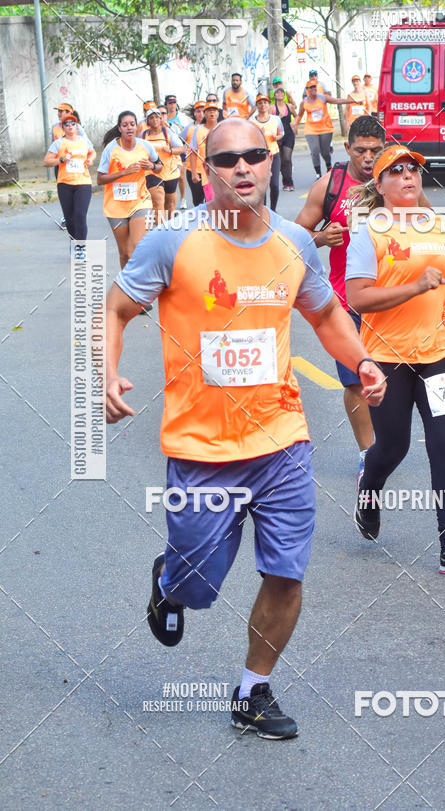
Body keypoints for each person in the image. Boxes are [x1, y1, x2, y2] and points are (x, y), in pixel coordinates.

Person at [105, 116, 386, 740]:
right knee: (198, 585)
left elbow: (327, 313)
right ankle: (170, 581)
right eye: (227, 158)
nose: (243, 167)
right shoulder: (172, 242)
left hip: (282, 440)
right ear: (206, 171)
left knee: (285, 572)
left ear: (270, 162)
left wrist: (360, 359)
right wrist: (107, 371)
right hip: (201, 447)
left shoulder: (293, 242)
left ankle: (253, 690)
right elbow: (118, 307)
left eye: (255, 155)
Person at [345, 143, 445, 576]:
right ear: (381, 185)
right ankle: (369, 487)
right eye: (397, 171)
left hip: (441, 351)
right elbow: (358, 298)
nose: (408, 176)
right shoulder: (368, 230)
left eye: (413, 170)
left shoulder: (442, 226)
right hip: (386, 356)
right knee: (393, 446)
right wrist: (415, 287)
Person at [296, 116, 431, 478]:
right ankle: (367, 453)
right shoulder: (330, 186)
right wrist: (321, 238)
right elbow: (294, 236)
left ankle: (389, 444)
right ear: (347, 148)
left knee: (395, 379)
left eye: (375, 150)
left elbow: (434, 229)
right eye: (361, 151)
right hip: (346, 301)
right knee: (356, 380)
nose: (369, 158)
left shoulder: (399, 180)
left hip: (393, 300)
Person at [97, 110, 161, 275]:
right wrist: (124, 172)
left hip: (140, 201)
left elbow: (159, 166)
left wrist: (152, 167)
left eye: (132, 124)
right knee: (125, 253)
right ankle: (129, 290)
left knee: (137, 248)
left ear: (137, 126)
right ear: (119, 128)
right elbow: (100, 179)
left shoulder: (145, 146)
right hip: (116, 206)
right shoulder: (110, 150)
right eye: (125, 125)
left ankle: (141, 291)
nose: (129, 128)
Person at [43, 114, 96, 242]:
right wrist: (61, 159)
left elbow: (92, 152)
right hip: (65, 184)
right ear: (63, 128)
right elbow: (46, 162)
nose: (70, 126)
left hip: (83, 183)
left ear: (77, 126)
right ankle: (74, 243)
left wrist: (90, 160)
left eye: (73, 123)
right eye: (66, 124)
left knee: (80, 215)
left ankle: (81, 247)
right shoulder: (59, 143)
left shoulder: (84, 141)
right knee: (70, 218)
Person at [293, 80, 351, 178]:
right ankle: (318, 174)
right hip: (311, 130)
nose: (313, 89)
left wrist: (352, 101)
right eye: (311, 87)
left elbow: (337, 101)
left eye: (315, 87)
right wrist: (295, 124)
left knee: (325, 152)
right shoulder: (304, 102)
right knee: (315, 150)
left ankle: (329, 167)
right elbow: (299, 115)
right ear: (307, 90)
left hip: (325, 129)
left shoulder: (323, 98)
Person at [141, 108, 186, 219]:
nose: (154, 119)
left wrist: (170, 150)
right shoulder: (143, 136)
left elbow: (182, 148)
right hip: (152, 172)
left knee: (170, 205)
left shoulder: (167, 132)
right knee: (158, 202)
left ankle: (169, 229)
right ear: (147, 121)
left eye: (157, 117)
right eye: (151, 117)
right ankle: (160, 231)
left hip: (169, 172)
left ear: (160, 119)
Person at [251, 93, 284, 210]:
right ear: (257, 106)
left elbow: (281, 133)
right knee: (262, 185)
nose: (263, 105)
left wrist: (276, 137)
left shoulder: (275, 119)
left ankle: (273, 209)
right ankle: (263, 210)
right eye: (260, 103)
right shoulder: (252, 122)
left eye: (265, 103)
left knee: (274, 184)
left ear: (269, 105)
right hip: (259, 157)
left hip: (274, 154)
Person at [189, 99, 220, 203]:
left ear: (218, 113)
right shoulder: (198, 130)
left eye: (214, 110)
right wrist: (193, 173)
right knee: (211, 204)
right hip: (206, 175)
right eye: (209, 110)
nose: (212, 112)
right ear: (205, 114)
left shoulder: (223, 128)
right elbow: (193, 151)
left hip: (223, 173)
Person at [180, 102, 206, 206]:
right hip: (193, 170)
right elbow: (179, 144)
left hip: (208, 170)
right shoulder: (189, 128)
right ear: (194, 113)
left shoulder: (211, 126)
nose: (201, 113)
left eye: (203, 111)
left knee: (211, 201)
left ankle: (211, 222)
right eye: (198, 111)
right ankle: (200, 221)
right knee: (198, 202)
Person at [164, 94, 188, 209]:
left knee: (181, 176)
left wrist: (177, 127)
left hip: (180, 148)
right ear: (166, 105)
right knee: (168, 175)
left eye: (174, 103)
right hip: (167, 149)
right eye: (170, 103)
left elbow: (187, 131)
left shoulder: (181, 117)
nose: (172, 105)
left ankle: (183, 199)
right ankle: (167, 199)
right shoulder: (163, 117)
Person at [272, 86, 296, 191]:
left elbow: (297, 116)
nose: (280, 94)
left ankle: (289, 182)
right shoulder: (272, 108)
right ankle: (285, 183)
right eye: (278, 93)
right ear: (275, 95)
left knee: (287, 158)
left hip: (289, 134)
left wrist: (294, 125)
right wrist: (278, 118)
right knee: (281, 160)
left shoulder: (289, 106)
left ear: (284, 95)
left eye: (282, 92)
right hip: (278, 135)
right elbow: (269, 120)